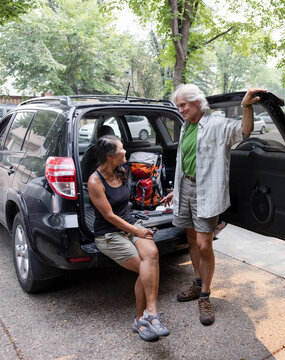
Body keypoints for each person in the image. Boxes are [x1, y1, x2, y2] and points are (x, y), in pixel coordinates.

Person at [162, 85, 265, 325]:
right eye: (178, 106)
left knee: (204, 244)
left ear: (197, 102)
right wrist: (177, 190)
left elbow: (244, 131)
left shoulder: (216, 124)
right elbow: (186, 161)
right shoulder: (187, 126)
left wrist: (246, 106)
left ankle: (205, 295)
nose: (181, 110)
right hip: (185, 187)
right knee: (190, 239)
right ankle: (197, 283)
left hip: (206, 191)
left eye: (183, 105)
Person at [88, 135, 169, 342]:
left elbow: (130, 202)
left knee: (152, 254)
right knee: (146, 265)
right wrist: (138, 232)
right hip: (109, 233)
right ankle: (141, 319)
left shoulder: (121, 171)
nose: (125, 151)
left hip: (131, 225)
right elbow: (109, 216)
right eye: (121, 148)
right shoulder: (95, 181)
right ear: (110, 155)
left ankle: (150, 313)